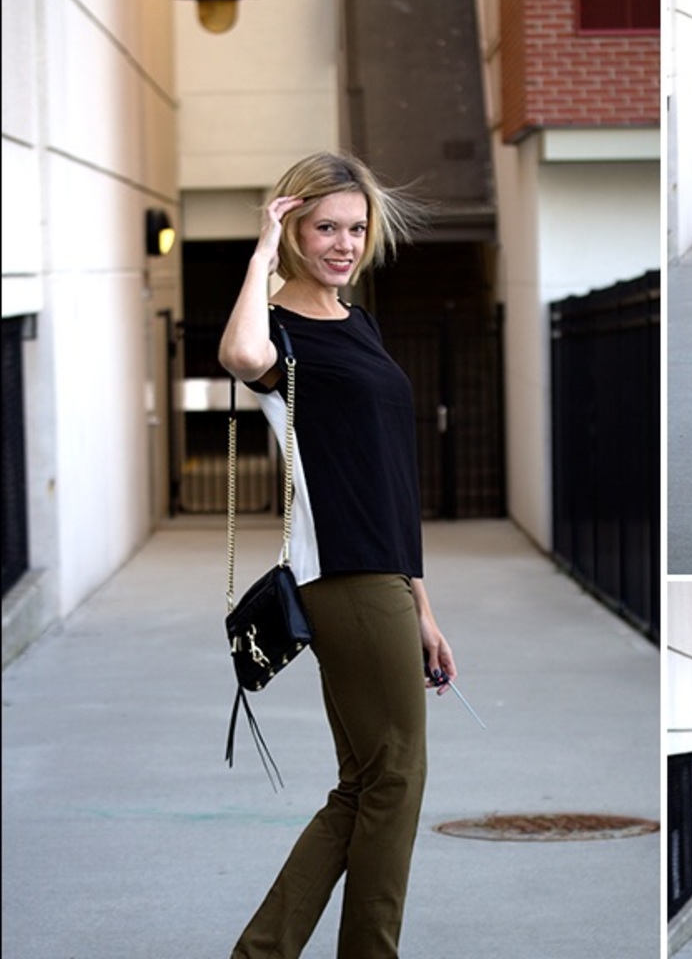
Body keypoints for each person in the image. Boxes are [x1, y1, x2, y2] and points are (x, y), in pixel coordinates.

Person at [218, 151, 456, 959]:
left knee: (365, 784)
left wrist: (423, 608)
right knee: (398, 777)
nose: (344, 243)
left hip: (384, 575)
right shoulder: (278, 329)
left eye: (355, 228)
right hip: (343, 573)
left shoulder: (358, 321)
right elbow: (240, 358)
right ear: (292, 228)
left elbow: (393, 478)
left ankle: (263, 950)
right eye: (325, 228)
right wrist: (258, 253)